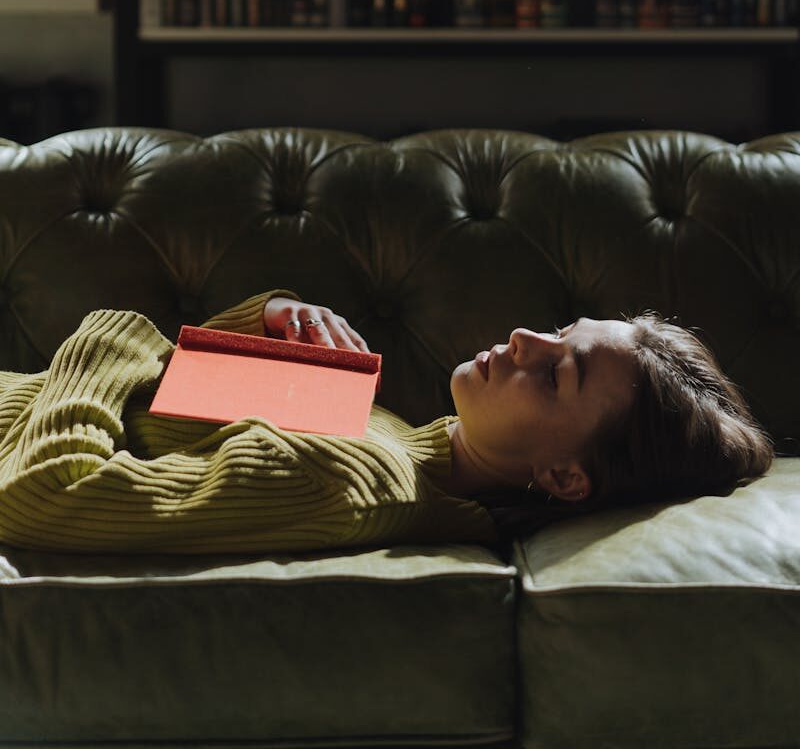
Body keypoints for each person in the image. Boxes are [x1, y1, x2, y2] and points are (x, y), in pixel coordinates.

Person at [0, 289, 774, 554]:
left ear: (565, 477)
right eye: (559, 330)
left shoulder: (356, 481)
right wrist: (260, 325)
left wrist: (110, 336)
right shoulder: (399, 440)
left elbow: (48, 490)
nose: (524, 341)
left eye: (556, 372)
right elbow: (159, 412)